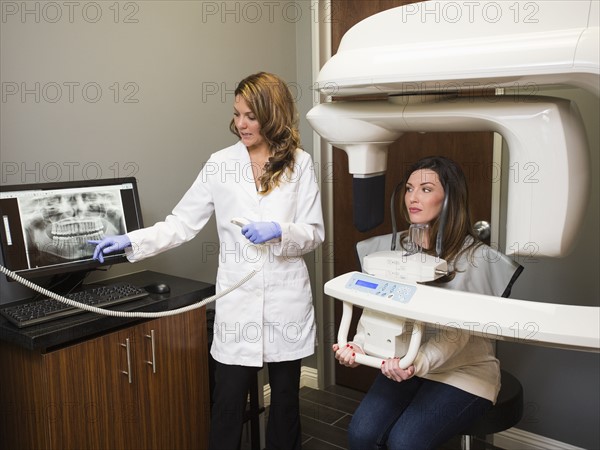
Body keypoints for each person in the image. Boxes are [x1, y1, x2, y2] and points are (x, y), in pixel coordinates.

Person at [90, 72, 325, 450]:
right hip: (237, 304)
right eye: (236, 114)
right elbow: (181, 224)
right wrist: (129, 241)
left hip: (286, 305)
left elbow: (314, 233)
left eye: (251, 116)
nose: (241, 124)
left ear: (273, 114)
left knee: (285, 405)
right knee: (227, 406)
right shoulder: (220, 164)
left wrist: (280, 231)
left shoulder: (300, 163)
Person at [333, 156, 522, 450]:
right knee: (362, 434)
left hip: (463, 370)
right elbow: (376, 306)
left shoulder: (474, 260)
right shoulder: (395, 249)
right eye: (409, 189)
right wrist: (359, 344)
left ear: (449, 199)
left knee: (405, 442)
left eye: (425, 189)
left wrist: (416, 363)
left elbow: (457, 333)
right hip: (403, 363)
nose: (413, 198)